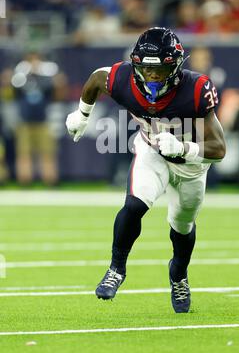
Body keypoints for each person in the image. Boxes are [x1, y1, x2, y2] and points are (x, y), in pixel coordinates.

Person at [66, 27, 226, 313]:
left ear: (175, 66)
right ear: (136, 64)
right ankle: (116, 269)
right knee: (135, 204)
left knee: (182, 225)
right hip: (152, 152)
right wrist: (82, 114)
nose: (152, 76)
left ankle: (178, 275)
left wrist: (184, 148)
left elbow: (218, 149)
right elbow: (95, 80)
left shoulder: (196, 88)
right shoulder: (122, 79)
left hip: (191, 166)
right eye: (147, 69)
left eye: (161, 70)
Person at [12, 52, 66, 186]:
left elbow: (58, 94)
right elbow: (12, 90)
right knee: (23, 153)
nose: (34, 63)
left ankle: (50, 181)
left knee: (48, 153)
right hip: (24, 121)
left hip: (43, 121)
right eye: (31, 60)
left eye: (36, 60)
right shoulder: (20, 77)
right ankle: (25, 182)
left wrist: (58, 81)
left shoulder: (46, 78)